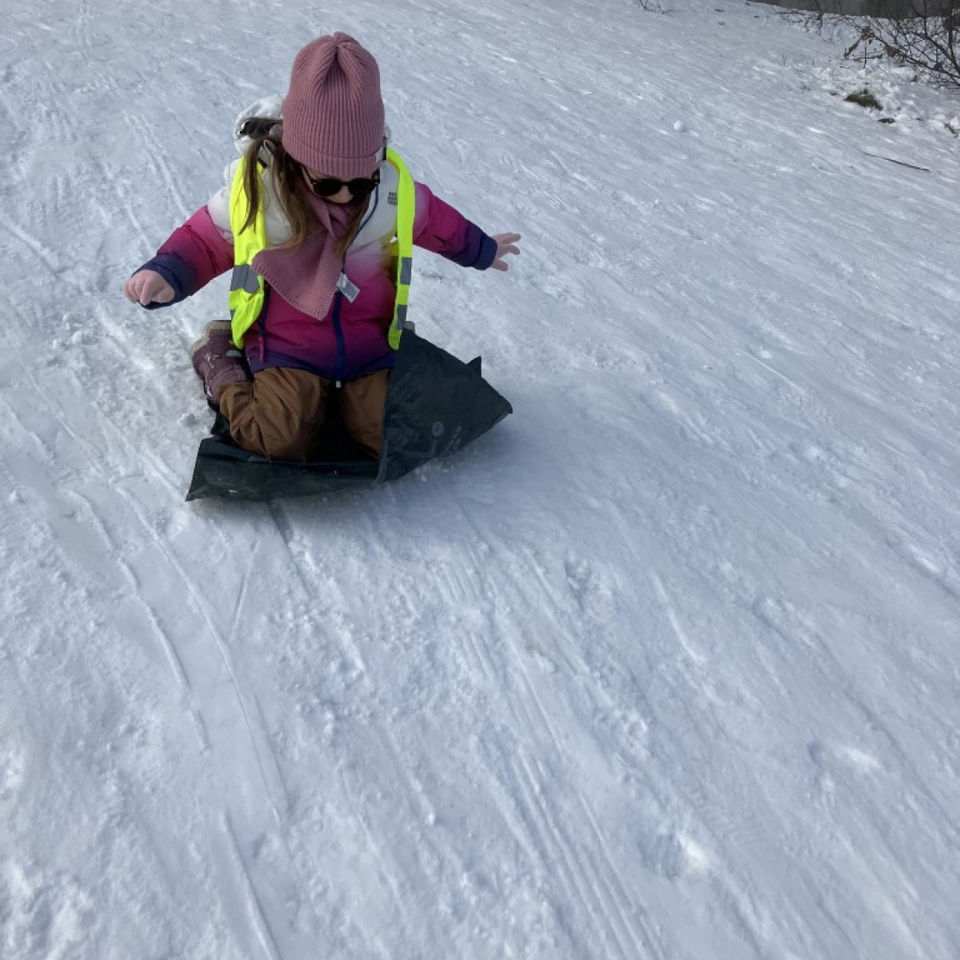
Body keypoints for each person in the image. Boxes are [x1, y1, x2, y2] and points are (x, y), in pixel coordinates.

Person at [124, 32, 520, 461]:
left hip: (369, 344)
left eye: (360, 182)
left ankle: (360, 394)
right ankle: (219, 360)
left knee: (392, 434)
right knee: (279, 438)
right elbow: (204, 239)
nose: (347, 195)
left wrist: (480, 249)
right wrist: (167, 272)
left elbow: (437, 222)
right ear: (296, 159)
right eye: (329, 183)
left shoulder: (390, 193)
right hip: (287, 346)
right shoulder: (260, 195)